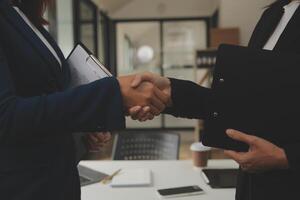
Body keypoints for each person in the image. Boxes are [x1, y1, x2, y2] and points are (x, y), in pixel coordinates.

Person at [129, 0, 300, 199]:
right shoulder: (274, 14)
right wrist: (171, 92)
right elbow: (241, 105)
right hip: (253, 186)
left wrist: (286, 157)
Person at [0, 0, 169, 199]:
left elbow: (45, 97)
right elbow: (5, 116)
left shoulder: (24, 15)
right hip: (25, 188)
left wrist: (81, 127)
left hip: (58, 180)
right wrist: (112, 93)